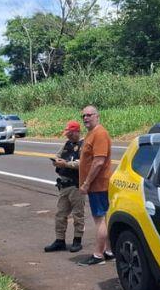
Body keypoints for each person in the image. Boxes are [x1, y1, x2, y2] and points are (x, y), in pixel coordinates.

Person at [78, 105, 114, 265]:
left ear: (97, 116)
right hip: (96, 185)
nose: (86, 118)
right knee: (104, 218)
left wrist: (86, 183)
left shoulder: (100, 134)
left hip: (98, 185)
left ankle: (99, 255)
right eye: (83, 116)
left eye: (89, 115)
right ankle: (109, 251)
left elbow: (98, 161)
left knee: (100, 219)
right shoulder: (91, 134)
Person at [44, 120, 84, 253]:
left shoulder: (83, 145)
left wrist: (66, 164)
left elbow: (82, 163)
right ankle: (60, 240)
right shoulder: (66, 144)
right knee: (60, 214)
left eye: (71, 133)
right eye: (67, 133)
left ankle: (77, 241)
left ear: (77, 132)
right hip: (64, 185)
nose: (68, 136)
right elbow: (58, 155)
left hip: (76, 185)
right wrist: (57, 162)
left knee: (78, 215)